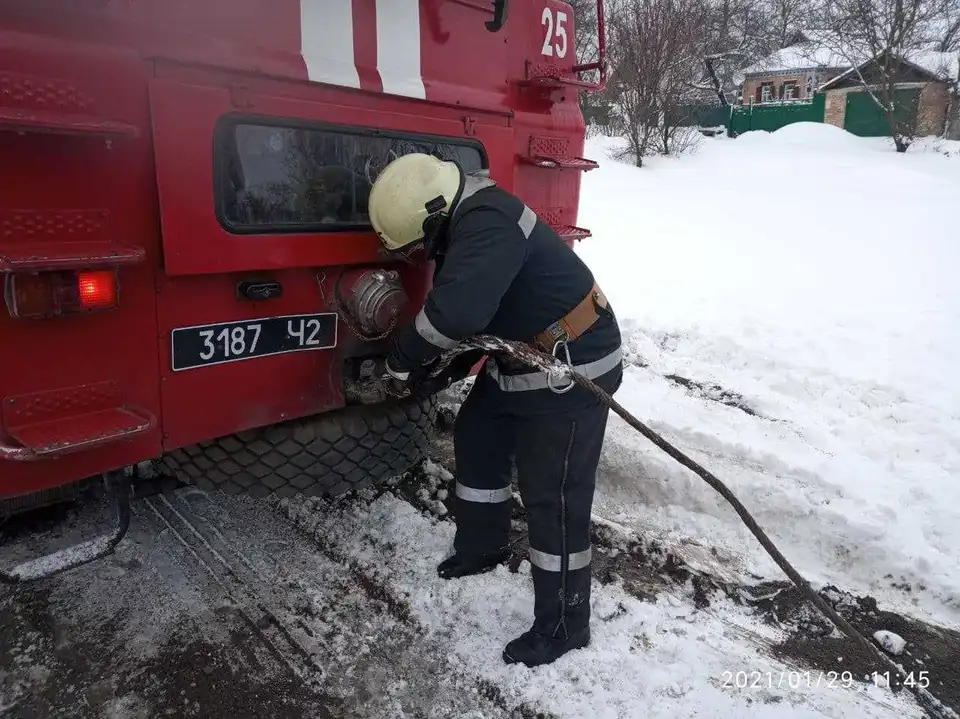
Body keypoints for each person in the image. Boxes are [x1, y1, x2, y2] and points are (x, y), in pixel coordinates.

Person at [367, 153, 623, 668]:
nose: (420, 256)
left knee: (554, 496)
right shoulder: (471, 221)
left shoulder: (488, 223)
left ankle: (564, 625)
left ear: (435, 215)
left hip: (573, 366)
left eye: (419, 244)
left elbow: (455, 315)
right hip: (523, 354)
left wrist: (400, 364)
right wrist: (431, 374)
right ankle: (483, 546)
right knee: (479, 434)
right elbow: (470, 323)